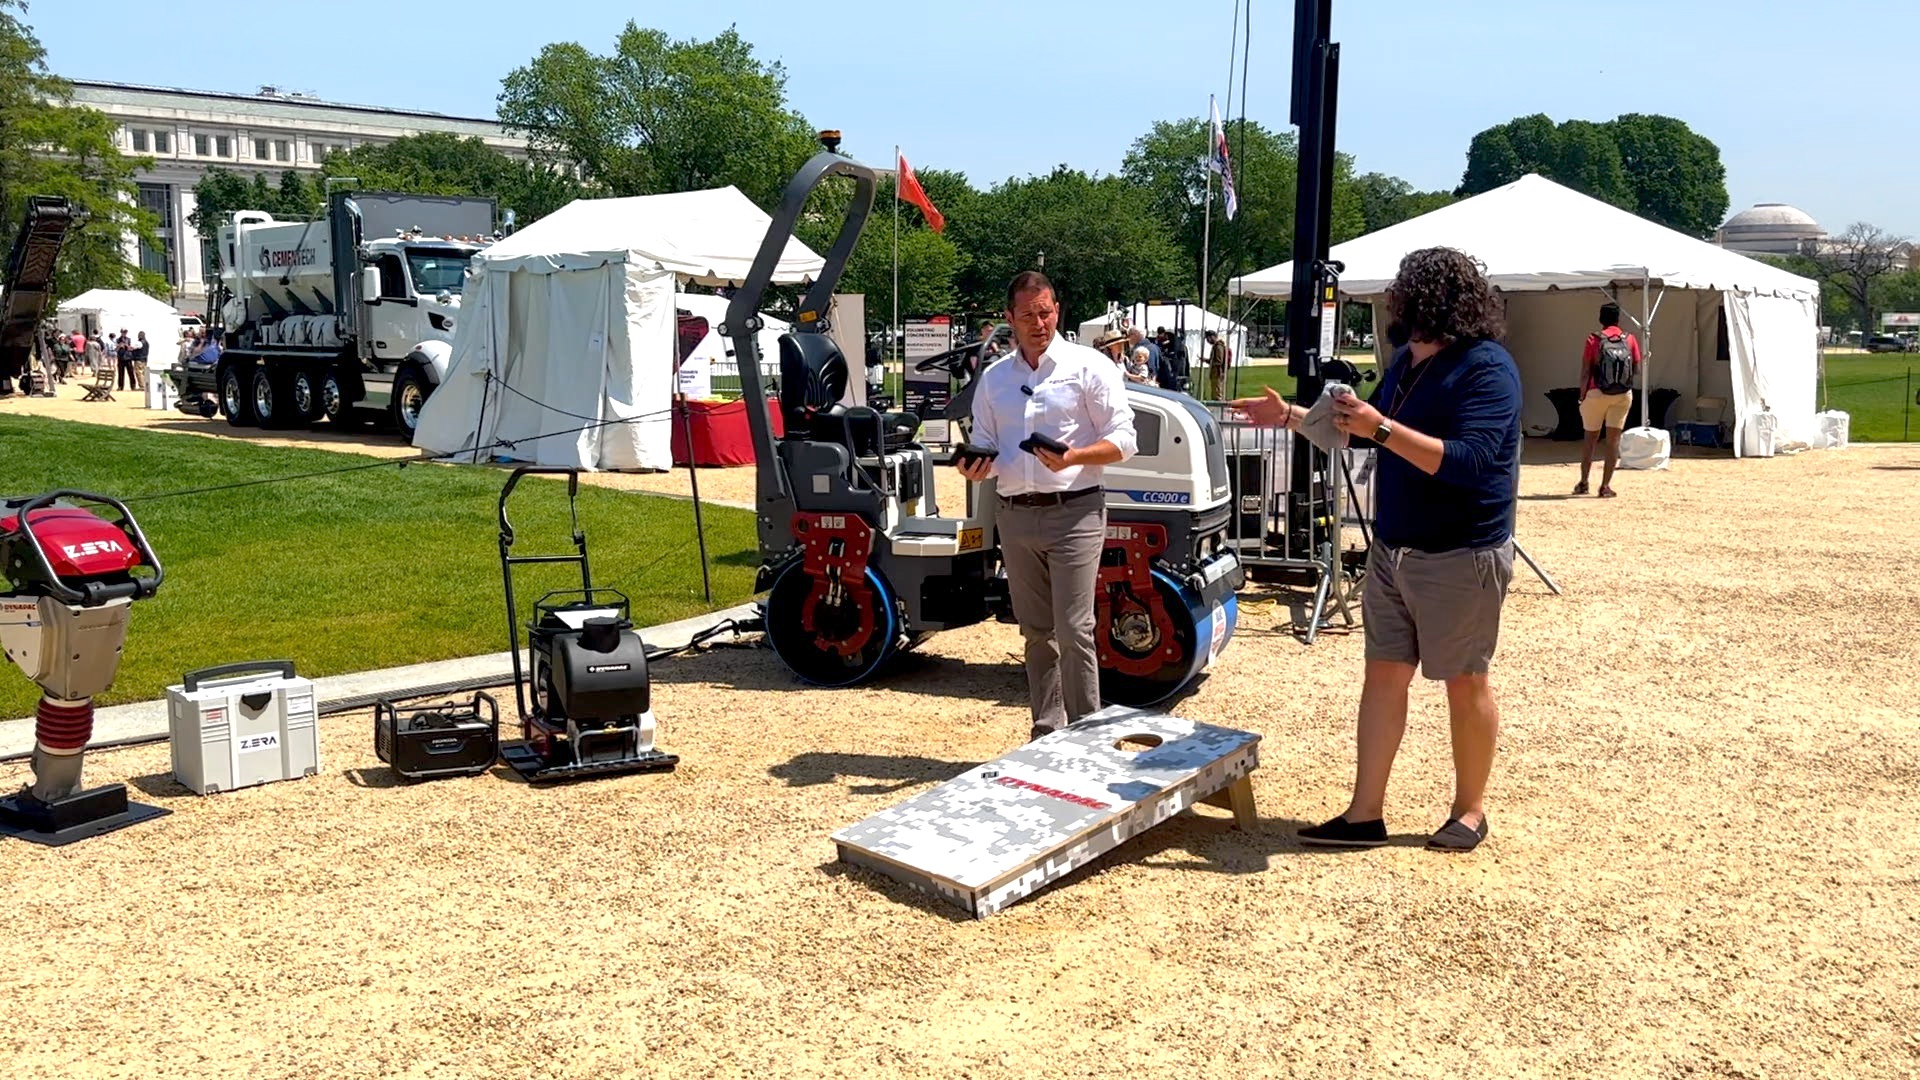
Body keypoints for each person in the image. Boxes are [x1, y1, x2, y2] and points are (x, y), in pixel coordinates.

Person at [1229, 247, 1522, 854]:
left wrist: (1379, 428)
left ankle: (1469, 811)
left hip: (1460, 552)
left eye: (1403, 294)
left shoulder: (1487, 368)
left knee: (1465, 682)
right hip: (1394, 549)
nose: (1395, 304)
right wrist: (1288, 416)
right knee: (1383, 678)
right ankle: (1365, 814)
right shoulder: (1408, 362)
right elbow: (1358, 430)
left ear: (1433, 300)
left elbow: (1466, 462)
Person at [956, 271, 1137, 741]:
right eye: (1028, 315)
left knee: (1074, 628)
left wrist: (1074, 456)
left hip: (1075, 510)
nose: (1040, 322)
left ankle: (1087, 735)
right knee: (1036, 631)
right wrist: (977, 467)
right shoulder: (995, 380)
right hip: (1015, 515)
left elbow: (1124, 440)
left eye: (1047, 311)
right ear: (1008, 319)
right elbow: (986, 445)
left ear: (1058, 310)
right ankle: (1046, 732)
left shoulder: (1090, 366)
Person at [1576, 302, 1642, 498]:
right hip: (1621, 394)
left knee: (1590, 439)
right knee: (1613, 440)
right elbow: (1636, 369)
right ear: (1618, 319)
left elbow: (1586, 370)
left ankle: (1584, 482)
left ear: (1600, 319)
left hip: (1596, 392)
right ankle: (1605, 486)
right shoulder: (1629, 339)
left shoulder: (1593, 340)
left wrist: (1582, 393)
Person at [1204, 329, 1229, 400]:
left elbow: (1219, 361)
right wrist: (1206, 360)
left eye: (1208, 338)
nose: (1208, 341)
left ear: (1213, 337)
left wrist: (1212, 363)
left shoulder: (1218, 347)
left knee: (1217, 392)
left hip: (1218, 372)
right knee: (1214, 390)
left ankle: (1218, 407)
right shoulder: (1215, 346)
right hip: (1215, 372)